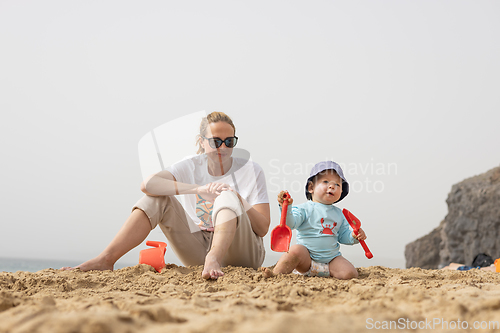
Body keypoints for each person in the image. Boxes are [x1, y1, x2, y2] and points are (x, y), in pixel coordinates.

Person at [62, 112, 270, 279]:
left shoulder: (251, 170)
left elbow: (262, 228)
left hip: (242, 252)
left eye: (229, 141)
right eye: (216, 141)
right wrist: (197, 189)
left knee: (226, 197)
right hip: (199, 248)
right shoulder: (191, 165)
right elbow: (148, 185)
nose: (223, 147)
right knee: (157, 197)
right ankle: (105, 260)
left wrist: (236, 198)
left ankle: (214, 258)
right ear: (202, 142)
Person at [263, 161, 366, 280]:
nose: (332, 186)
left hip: (331, 260)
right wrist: (286, 207)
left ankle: (326, 272)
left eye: (337, 184)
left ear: (341, 191)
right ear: (311, 187)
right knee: (295, 250)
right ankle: (276, 273)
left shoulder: (340, 214)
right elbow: (290, 224)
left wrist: (353, 236)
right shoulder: (304, 209)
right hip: (306, 260)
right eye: (326, 182)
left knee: (350, 273)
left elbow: (343, 236)